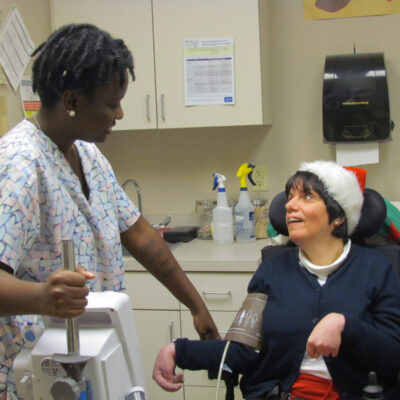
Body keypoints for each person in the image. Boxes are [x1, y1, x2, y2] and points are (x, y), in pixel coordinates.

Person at [0, 23, 218, 399]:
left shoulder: (88, 155)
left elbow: (138, 233)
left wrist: (195, 304)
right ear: (71, 101)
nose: (119, 113)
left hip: (93, 358)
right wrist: (41, 297)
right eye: (111, 103)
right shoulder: (20, 165)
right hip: (39, 371)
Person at [153, 160, 400, 400]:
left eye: (307, 197)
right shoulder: (271, 271)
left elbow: (392, 359)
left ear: (338, 216)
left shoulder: (377, 270)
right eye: (290, 197)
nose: (291, 205)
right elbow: (243, 350)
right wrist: (177, 350)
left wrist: (345, 327)